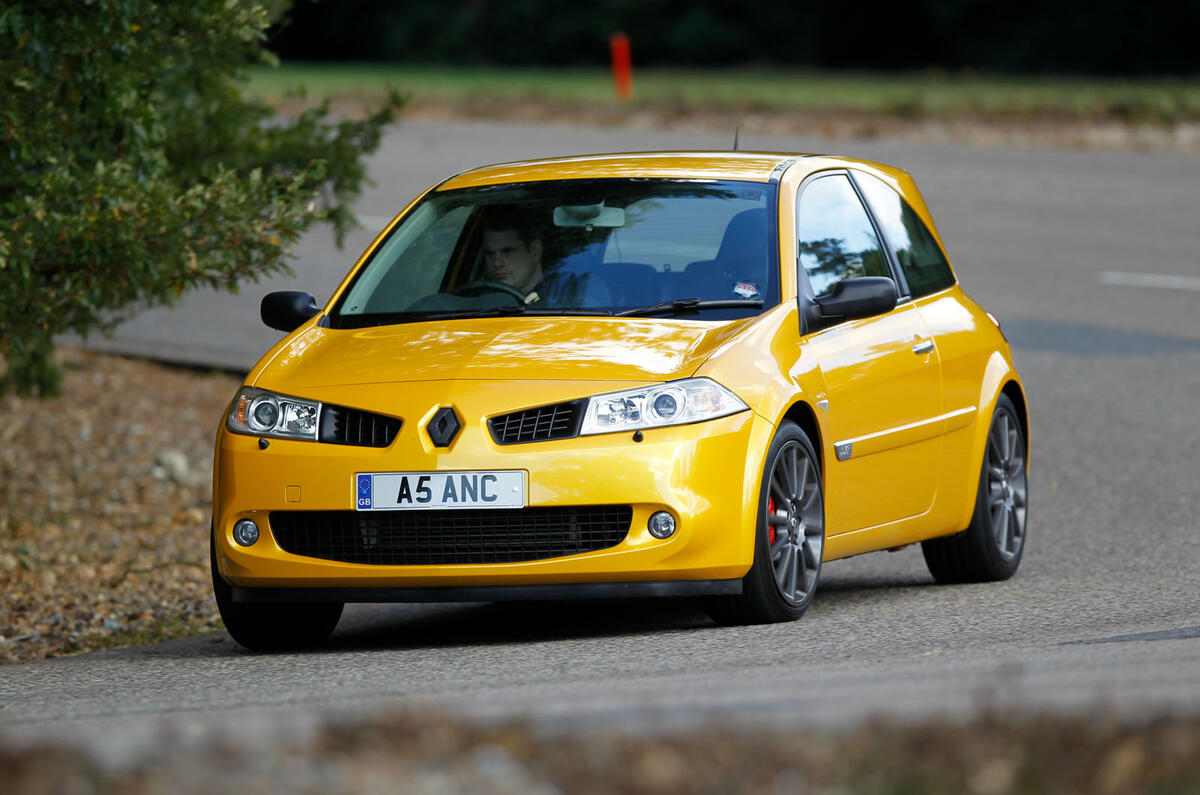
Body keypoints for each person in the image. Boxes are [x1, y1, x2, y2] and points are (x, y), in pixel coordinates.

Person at [480, 206, 544, 297]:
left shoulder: (565, 297)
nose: (497, 263)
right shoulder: (476, 303)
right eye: (490, 253)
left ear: (535, 251)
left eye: (507, 252)